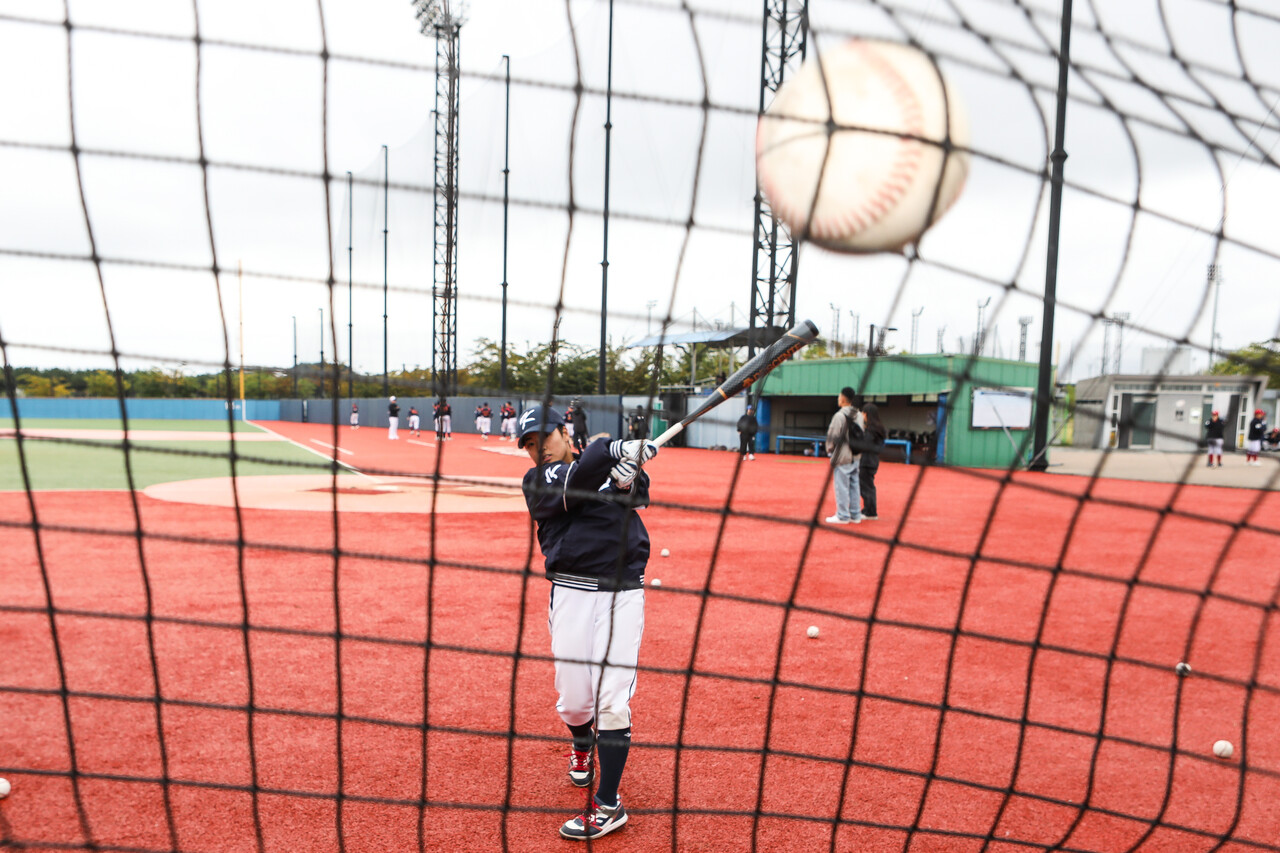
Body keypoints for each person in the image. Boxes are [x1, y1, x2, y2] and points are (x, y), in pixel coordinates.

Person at [517, 404, 658, 841]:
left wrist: (625, 474)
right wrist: (611, 449)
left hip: (622, 593)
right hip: (572, 595)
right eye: (529, 445)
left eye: (545, 438)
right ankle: (581, 744)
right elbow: (577, 483)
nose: (539, 449)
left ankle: (608, 804)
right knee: (574, 703)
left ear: (564, 431)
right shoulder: (540, 479)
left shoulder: (602, 465)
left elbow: (637, 497)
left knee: (612, 701)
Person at [824, 387, 864, 524]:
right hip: (856, 454)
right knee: (854, 485)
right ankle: (855, 514)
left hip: (843, 455)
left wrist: (829, 450)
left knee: (842, 486)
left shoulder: (839, 416)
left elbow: (832, 437)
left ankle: (842, 515)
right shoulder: (859, 415)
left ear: (842, 399)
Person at [859, 402, 887, 520]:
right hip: (873, 460)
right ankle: (868, 509)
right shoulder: (878, 429)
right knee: (868, 485)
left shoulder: (871, 430)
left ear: (866, 414)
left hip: (867, 461)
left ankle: (870, 512)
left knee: (866, 486)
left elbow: (865, 444)